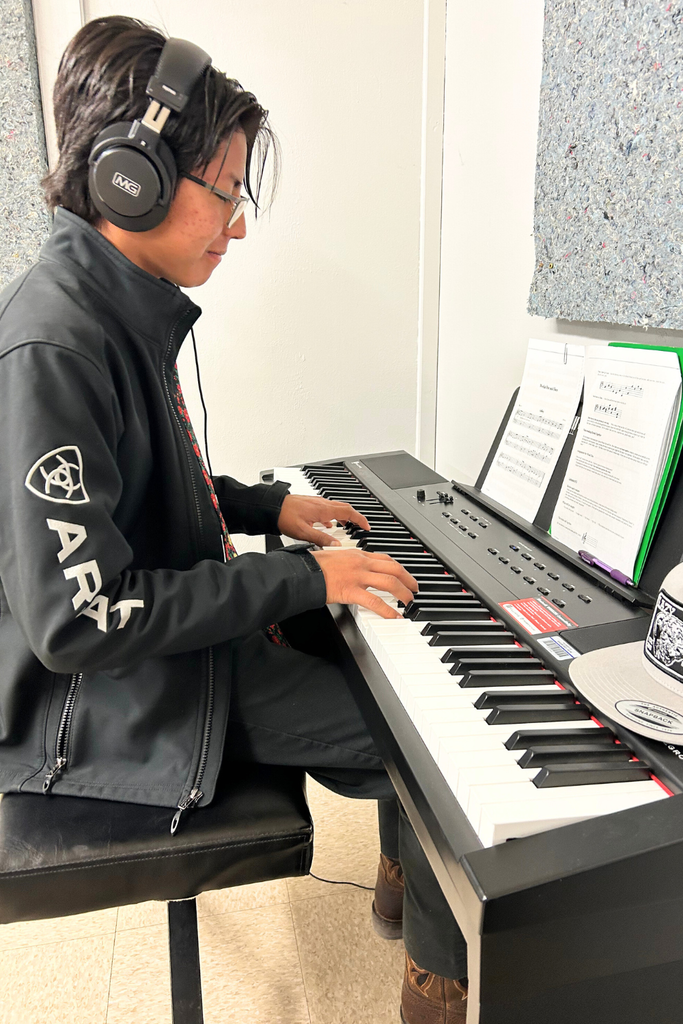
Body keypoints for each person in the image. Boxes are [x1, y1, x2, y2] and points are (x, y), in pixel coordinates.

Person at [0, 17, 468, 1022]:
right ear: (134, 179)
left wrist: (267, 508)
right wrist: (300, 578)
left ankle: (399, 889)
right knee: (426, 746)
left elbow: (137, 489)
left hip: (159, 661)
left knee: (370, 650)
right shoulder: (57, 346)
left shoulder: (108, 306)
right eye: (226, 191)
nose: (238, 225)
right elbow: (78, 620)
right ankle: (438, 981)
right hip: (104, 705)